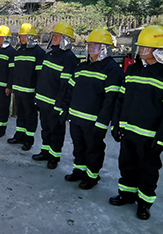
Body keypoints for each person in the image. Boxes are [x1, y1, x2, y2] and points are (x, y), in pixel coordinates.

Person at [109, 25, 163, 220]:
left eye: (147, 47)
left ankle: (144, 204)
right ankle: (126, 195)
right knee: (126, 165)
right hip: (128, 132)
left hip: (150, 136)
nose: (142, 51)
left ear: (160, 50)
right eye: (141, 47)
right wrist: (117, 124)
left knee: (148, 170)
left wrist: (162, 139)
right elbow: (121, 100)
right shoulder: (133, 69)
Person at [64, 28, 123, 190]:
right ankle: (79, 171)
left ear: (105, 48)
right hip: (76, 117)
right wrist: (66, 110)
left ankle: (92, 176)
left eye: (95, 46)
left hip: (94, 121)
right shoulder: (82, 66)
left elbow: (110, 100)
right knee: (78, 147)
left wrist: (103, 122)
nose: (91, 49)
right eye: (90, 45)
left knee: (93, 149)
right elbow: (70, 90)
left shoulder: (112, 70)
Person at [33, 21, 79, 169]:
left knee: (56, 132)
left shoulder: (70, 59)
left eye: (57, 36)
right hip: (43, 101)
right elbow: (42, 78)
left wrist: (60, 105)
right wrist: (38, 98)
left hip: (55, 104)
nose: (54, 38)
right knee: (45, 129)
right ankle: (45, 152)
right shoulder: (50, 54)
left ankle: (54, 157)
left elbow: (66, 86)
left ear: (66, 39)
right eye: (54, 36)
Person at [7, 23, 45, 151]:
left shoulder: (39, 53)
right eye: (21, 36)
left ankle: (29, 140)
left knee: (30, 116)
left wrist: (37, 92)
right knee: (20, 114)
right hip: (18, 91)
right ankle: (19, 136)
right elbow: (14, 72)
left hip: (30, 92)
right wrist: (11, 87)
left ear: (32, 37)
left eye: (25, 36)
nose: (22, 38)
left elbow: (40, 75)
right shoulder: (18, 52)